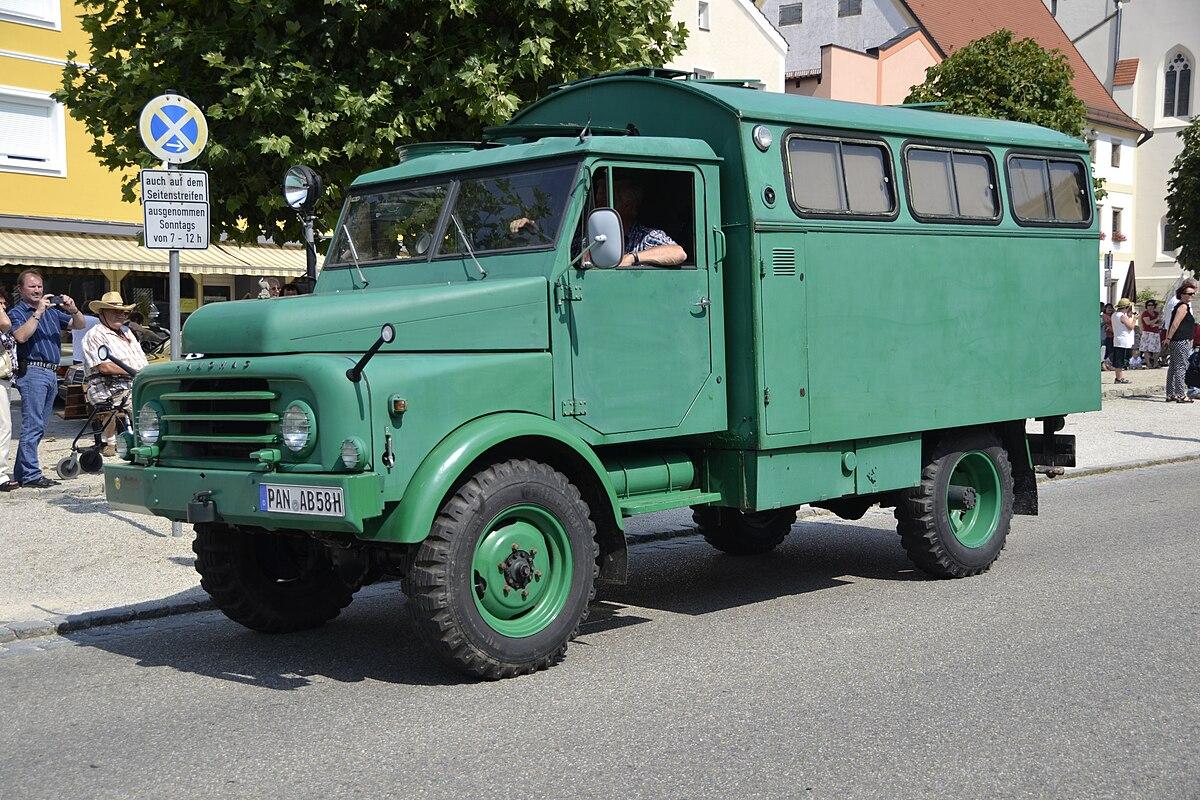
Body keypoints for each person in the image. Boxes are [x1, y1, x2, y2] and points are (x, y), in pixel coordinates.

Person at [6, 269, 87, 488]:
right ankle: (31, 474)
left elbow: (79, 324)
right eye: (32, 286)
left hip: (51, 371)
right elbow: (21, 336)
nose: (37, 290)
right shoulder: (18, 312)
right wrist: (38, 312)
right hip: (33, 370)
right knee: (33, 424)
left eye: (40, 286)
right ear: (21, 289)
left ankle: (23, 473)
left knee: (39, 426)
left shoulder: (52, 312)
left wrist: (73, 309)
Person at [81, 292, 149, 455]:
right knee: (143, 403)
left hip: (133, 382)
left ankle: (149, 439)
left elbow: (141, 359)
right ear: (102, 313)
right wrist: (136, 372)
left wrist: (145, 373)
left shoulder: (127, 331)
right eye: (114, 311)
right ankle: (131, 441)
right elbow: (105, 367)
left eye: (123, 312)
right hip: (107, 386)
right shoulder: (95, 334)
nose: (121, 315)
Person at [612, 177, 687, 268]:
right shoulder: (601, 236)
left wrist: (632, 257)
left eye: (610, 202)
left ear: (628, 206)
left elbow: (678, 253)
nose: (602, 210)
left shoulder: (644, 236)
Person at [1163, 280, 1197, 403]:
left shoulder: (1180, 306)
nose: (1192, 296)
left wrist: (1168, 338)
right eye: (1189, 294)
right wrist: (1168, 338)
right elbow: (1175, 324)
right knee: (1181, 366)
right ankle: (1181, 394)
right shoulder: (1183, 306)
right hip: (1181, 340)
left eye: (1193, 293)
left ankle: (1171, 393)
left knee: (1173, 366)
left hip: (1176, 340)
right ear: (1182, 294)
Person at [0, 294, 17, 491]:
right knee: (3, 427)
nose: (4, 307)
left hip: (4, 380)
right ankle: (0, 475)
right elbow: (5, 324)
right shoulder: (3, 321)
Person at [1110, 298, 1136, 384]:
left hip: (1117, 339)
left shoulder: (1114, 315)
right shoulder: (1122, 316)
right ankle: (1119, 378)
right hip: (1123, 341)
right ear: (1127, 307)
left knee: (1119, 359)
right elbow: (1131, 327)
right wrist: (1135, 319)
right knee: (1120, 360)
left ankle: (1119, 377)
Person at [1140, 299, 1162, 369]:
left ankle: (1155, 363)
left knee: (1157, 349)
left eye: (1152, 305)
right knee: (1146, 349)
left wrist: (1155, 324)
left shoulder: (1156, 313)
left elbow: (1160, 323)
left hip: (1156, 332)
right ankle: (1148, 364)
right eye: (1148, 305)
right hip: (1147, 332)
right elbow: (1148, 323)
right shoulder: (1145, 313)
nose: (1150, 306)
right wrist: (1156, 319)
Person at [1101, 302, 1115, 371]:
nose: (1110, 309)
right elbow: (1106, 325)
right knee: (1108, 351)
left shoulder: (1112, 315)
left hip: (1112, 335)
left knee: (1112, 350)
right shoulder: (1104, 316)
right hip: (1107, 335)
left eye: (1111, 308)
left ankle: (1108, 364)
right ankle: (1106, 364)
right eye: (1108, 308)